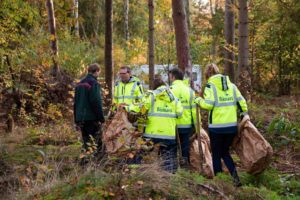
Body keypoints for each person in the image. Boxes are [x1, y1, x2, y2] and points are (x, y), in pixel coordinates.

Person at [194, 63, 248, 187]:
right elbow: (242, 102)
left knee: (217, 154)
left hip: (217, 128)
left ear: (207, 74)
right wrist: (243, 114)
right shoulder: (232, 86)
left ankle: (219, 182)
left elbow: (208, 104)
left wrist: (197, 100)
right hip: (231, 127)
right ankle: (236, 179)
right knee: (225, 152)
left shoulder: (210, 86)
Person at [125, 78, 183, 173]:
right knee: (169, 158)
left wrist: (127, 108)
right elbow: (179, 114)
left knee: (140, 153)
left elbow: (140, 107)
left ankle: (134, 172)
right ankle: (169, 179)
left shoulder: (151, 97)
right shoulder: (174, 99)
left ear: (154, 87)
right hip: (169, 134)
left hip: (151, 134)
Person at [74, 63, 105, 157]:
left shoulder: (79, 84)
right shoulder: (93, 83)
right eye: (99, 72)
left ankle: (85, 161)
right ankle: (99, 162)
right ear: (97, 71)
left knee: (86, 141)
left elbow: (75, 102)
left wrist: (76, 119)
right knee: (97, 142)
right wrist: (101, 118)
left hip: (81, 117)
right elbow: (96, 101)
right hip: (91, 117)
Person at [169, 68, 196, 168]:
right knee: (185, 146)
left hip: (173, 124)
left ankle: (174, 167)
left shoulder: (170, 90)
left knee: (173, 146)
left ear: (173, 77)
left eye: (170, 76)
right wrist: (198, 126)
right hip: (186, 124)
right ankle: (185, 166)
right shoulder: (189, 91)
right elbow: (194, 110)